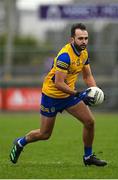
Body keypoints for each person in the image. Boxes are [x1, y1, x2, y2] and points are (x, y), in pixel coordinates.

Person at [9, 23, 107, 166]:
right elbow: (59, 84)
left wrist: (96, 91)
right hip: (52, 96)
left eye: (86, 38)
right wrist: (79, 94)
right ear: (72, 39)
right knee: (45, 134)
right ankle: (20, 142)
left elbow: (87, 77)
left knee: (89, 122)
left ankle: (88, 157)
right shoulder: (65, 56)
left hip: (68, 96)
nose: (84, 41)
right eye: (80, 38)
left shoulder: (84, 53)